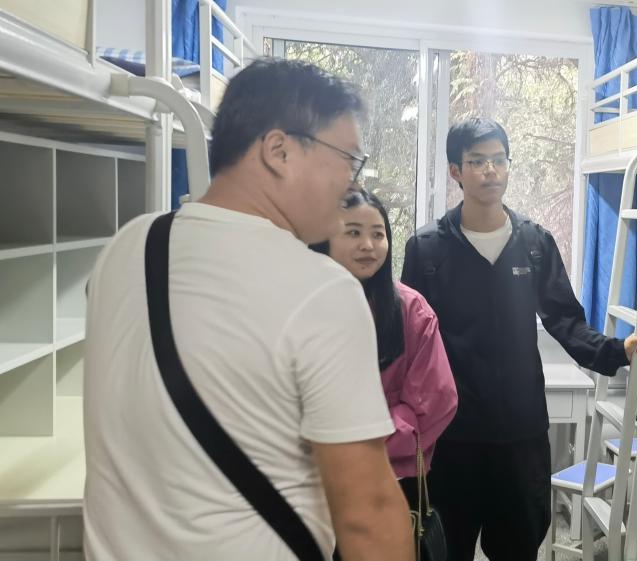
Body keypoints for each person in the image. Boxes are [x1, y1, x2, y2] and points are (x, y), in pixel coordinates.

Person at [83, 59, 413, 561]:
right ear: (279, 150)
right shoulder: (322, 290)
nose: (353, 183)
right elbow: (366, 515)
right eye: (348, 160)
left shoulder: (128, 245)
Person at [401, 117, 637, 560]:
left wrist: (616, 351)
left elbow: (565, 321)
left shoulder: (534, 244)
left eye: (499, 160)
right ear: (456, 170)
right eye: (477, 161)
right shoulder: (427, 249)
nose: (490, 170)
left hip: (519, 432)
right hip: (452, 434)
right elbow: (411, 339)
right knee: (444, 549)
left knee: (518, 547)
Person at [313, 189, 457, 506]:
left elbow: (433, 402)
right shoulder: (302, 308)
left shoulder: (411, 310)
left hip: (390, 478)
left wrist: (360, 445)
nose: (368, 245)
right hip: (312, 477)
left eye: (378, 234)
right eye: (353, 232)